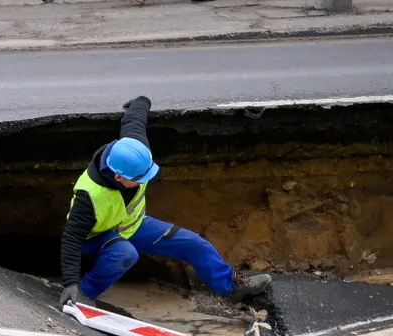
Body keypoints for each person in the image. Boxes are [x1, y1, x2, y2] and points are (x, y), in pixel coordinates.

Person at [58, 95, 271, 307]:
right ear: (119, 177)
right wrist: (70, 283)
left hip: (134, 227)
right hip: (96, 239)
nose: (144, 182)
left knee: (193, 243)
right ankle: (84, 295)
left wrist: (141, 101)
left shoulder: (136, 153)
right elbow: (72, 239)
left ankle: (231, 288)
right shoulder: (89, 196)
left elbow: (134, 122)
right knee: (125, 254)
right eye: (138, 180)